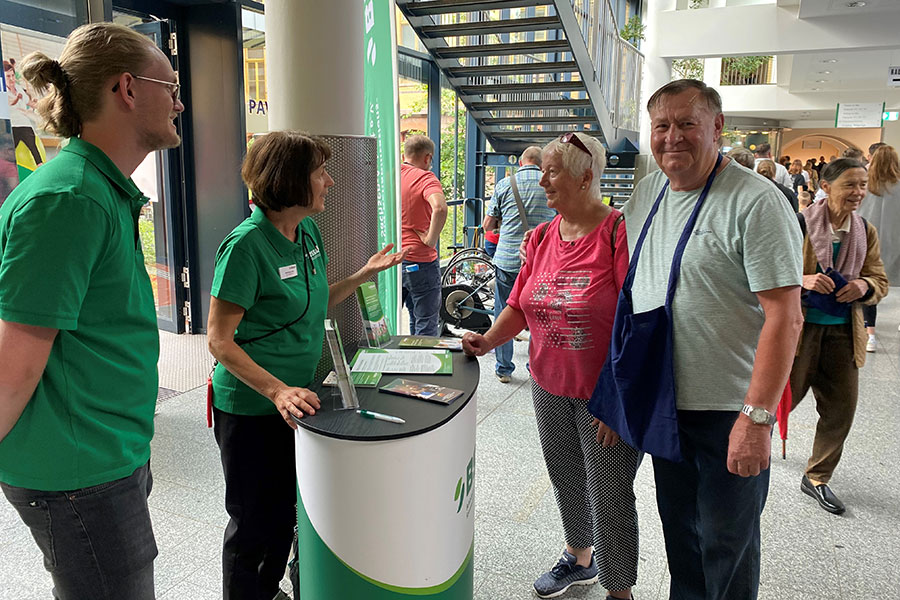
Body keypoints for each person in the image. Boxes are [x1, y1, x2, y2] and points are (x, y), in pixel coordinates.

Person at [0, 23, 184, 598]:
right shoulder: (69, 198)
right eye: (171, 85)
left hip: (108, 453)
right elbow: (16, 363)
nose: (179, 101)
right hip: (78, 473)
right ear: (127, 89)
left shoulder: (101, 190)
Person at [613, 79, 802, 600]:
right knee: (681, 537)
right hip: (669, 401)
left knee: (726, 542)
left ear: (717, 128)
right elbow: (643, 288)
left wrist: (757, 418)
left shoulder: (756, 202)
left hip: (730, 408)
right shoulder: (649, 193)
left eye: (687, 123)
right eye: (662, 126)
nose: (672, 137)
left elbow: (785, 316)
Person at [207, 131, 406, 599]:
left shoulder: (307, 232)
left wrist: (361, 277)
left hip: (298, 400)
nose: (330, 182)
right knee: (255, 522)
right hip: (253, 407)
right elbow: (219, 340)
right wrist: (276, 390)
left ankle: (270, 587)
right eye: (320, 173)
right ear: (291, 181)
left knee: (286, 514)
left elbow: (315, 305)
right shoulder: (246, 246)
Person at [463, 133, 639, 600]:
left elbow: (637, 319)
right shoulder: (540, 237)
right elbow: (519, 306)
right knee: (565, 475)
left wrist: (621, 397)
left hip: (604, 391)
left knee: (610, 494)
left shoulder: (618, 232)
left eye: (552, 171)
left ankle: (620, 592)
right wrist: (487, 341)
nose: (541, 180)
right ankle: (580, 559)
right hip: (549, 383)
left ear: (586, 177)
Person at [790, 158, 888, 514]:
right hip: (797, 333)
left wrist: (863, 285)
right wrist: (804, 280)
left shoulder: (865, 231)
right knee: (778, 403)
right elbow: (765, 272)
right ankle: (742, 464)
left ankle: (817, 476)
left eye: (862, 185)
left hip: (844, 334)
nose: (858, 192)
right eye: (850, 184)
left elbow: (880, 281)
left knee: (840, 410)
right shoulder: (797, 224)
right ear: (826, 186)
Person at [482, 145, 555, 383]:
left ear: (521, 163)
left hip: (507, 259)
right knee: (539, 313)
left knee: (503, 309)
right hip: (540, 261)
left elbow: (487, 225)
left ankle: (504, 368)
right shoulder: (551, 185)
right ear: (542, 165)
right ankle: (535, 366)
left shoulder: (505, 184)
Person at [400, 134, 448, 336]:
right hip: (421, 261)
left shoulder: (392, 174)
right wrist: (430, 239)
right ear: (427, 158)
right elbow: (440, 208)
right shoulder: (425, 177)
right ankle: (422, 365)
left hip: (394, 260)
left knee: (409, 316)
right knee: (425, 323)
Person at [857, 145, 900, 347]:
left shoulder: (864, 185)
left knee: (869, 281)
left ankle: (870, 333)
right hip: (896, 239)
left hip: (868, 239)